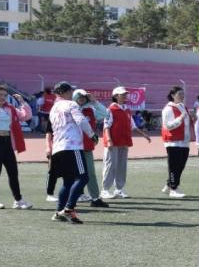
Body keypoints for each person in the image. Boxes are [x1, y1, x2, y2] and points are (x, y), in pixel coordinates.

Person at [49, 81, 99, 224]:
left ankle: (59, 212)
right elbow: (81, 120)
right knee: (83, 178)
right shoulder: (71, 104)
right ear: (65, 92)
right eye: (70, 91)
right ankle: (69, 209)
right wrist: (92, 135)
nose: (72, 93)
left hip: (58, 148)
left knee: (68, 181)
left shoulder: (53, 108)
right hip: (72, 146)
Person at [100, 86, 151, 199]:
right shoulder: (110, 109)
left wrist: (144, 135)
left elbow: (133, 126)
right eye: (122, 94)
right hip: (113, 143)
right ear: (115, 96)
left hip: (124, 142)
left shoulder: (127, 110)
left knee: (121, 167)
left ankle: (119, 189)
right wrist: (109, 140)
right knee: (110, 165)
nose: (125, 96)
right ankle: (105, 190)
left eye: (125, 94)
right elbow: (106, 126)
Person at [73, 89, 109, 207]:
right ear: (74, 97)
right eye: (79, 96)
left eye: (84, 97)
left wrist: (95, 102)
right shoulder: (70, 109)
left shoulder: (91, 110)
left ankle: (95, 198)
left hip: (87, 147)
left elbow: (106, 114)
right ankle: (72, 198)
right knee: (73, 174)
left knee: (90, 173)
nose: (82, 98)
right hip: (73, 147)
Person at [160, 86, 192, 198]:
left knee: (181, 166)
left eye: (183, 94)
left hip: (184, 142)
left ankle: (169, 185)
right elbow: (168, 126)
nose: (182, 96)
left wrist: (192, 118)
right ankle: (173, 188)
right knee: (174, 166)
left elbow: (186, 125)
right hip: (173, 142)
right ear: (173, 95)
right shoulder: (168, 109)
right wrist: (180, 119)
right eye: (180, 94)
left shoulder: (183, 107)